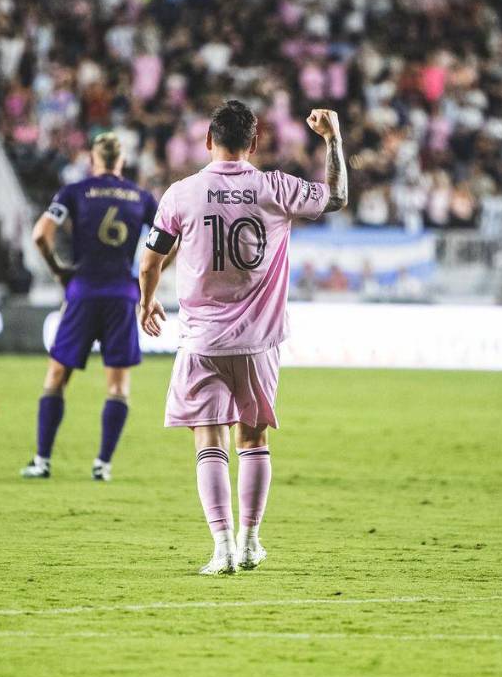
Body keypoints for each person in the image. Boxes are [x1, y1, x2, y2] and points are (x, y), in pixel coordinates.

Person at [138, 101, 348, 574]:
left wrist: (146, 300)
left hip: (201, 342)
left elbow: (151, 260)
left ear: (208, 141)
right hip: (259, 342)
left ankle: (222, 547)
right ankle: (252, 541)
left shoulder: (181, 193)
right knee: (253, 439)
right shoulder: (276, 187)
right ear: (254, 144)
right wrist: (333, 141)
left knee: (208, 439)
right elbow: (335, 198)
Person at [21, 133, 160, 482]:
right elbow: (171, 242)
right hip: (122, 294)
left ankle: (42, 461)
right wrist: (147, 280)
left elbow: (40, 234)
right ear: (121, 161)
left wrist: (59, 270)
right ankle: (103, 464)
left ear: (93, 160)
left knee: (56, 377)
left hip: (82, 291)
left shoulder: (75, 191)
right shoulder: (141, 198)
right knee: (117, 385)